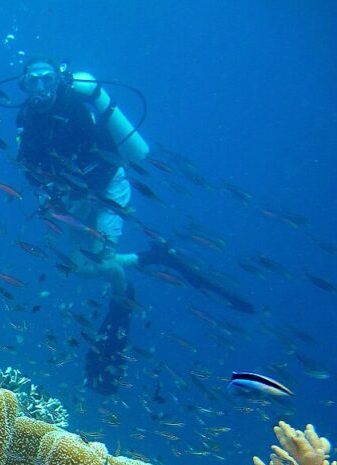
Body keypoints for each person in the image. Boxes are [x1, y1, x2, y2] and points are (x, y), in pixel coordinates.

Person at [14, 58, 252, 394]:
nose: (39, 88)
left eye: (46, 79)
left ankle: (124, 296)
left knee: (99, 262)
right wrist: (52, 192)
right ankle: (152, 257)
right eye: (32, 81)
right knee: (81, 268)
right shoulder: (27, 118)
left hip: (107, 189)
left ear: (58, 80)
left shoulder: (77, 107)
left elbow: (111, 154)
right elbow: (29, 165)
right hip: (70, 199)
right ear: (23, 84)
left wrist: (83, 192)